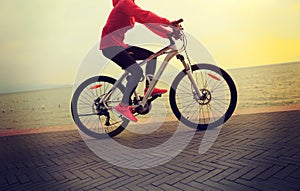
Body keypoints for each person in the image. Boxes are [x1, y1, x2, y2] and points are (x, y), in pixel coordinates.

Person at [100, 0, 178, 122]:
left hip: (120, 45)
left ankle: (149, 88)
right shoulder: (125, 3)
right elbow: (145, 15)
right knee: (137, 72)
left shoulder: (127, 6)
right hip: (110, 46)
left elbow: (147, 22)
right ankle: (123, 105)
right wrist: (168, 23)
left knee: (152, 56)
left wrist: (169, 33)